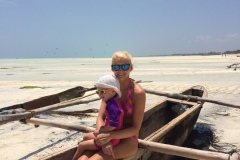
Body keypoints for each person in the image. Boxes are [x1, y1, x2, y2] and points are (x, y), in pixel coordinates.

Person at [78, 51, 146, 160]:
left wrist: (110, 137)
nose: (120, 71)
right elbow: (101, 117)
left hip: (127, 138)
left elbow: (135, 128)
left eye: (124, 66)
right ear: (112, 68)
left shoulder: (137, 92)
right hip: (107, 133)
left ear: (131, 68)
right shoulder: (109, 88)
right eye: (116, 67)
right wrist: (104, 139)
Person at [72, 74, 124, 160]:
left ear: (113, 91)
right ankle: (92, 149)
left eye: (102, 92)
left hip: (111, 138)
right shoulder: (112, 102)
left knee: (81, 145)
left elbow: (114, 125)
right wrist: (101, 131)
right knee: (86, 137)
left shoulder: (112, 106)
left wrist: (101, 131)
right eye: (98, 92)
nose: (99, 95)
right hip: (109, 135)